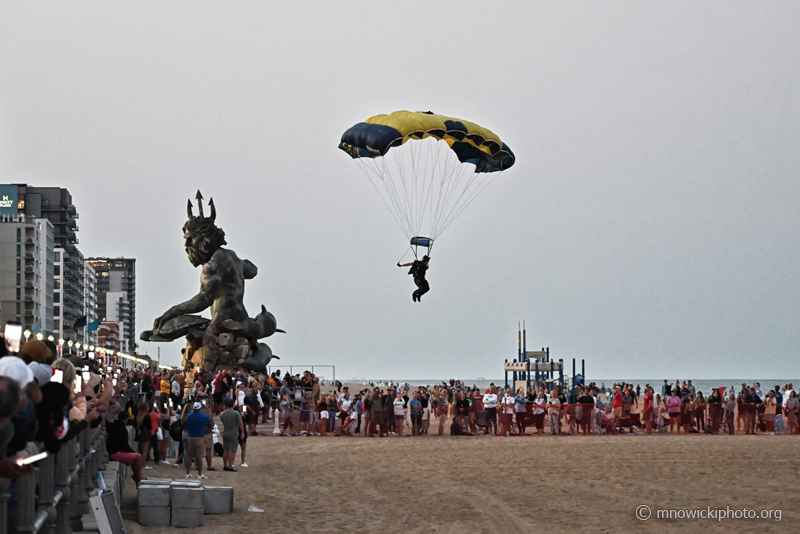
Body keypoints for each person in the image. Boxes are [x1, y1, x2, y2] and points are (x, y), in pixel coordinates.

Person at [185, 401, 210, 479]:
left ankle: (187, 473)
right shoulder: (202, 417)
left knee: (190, 456)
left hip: (190, 437)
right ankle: (200, 474)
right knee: (199, 457)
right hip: (199, 437)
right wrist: (207, 409)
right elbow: (209, 418)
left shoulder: (189, 416)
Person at [219, 398, 244, 471]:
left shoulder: (222, 414)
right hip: (233, 432)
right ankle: (230, 466)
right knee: (232, 450)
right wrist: (242, 432)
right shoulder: (236, 413)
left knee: (226, 450)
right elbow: (240, 422)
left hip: (226, 432)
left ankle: (225, 465)